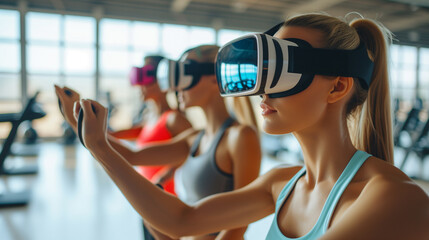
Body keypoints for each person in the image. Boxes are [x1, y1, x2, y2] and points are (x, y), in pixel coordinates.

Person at [73, 14, 429, 240]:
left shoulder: (394, 196)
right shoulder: (281, 183)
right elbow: (183, 219)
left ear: (337, 87)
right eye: (264, 71)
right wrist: (99, 147)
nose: (262, 89)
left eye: (284, 70)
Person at [58, 45, 262, 240]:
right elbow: (132, 157)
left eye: (184, 74)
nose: (175, 87)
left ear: (213, 78)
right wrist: (76, 122)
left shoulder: (241, 137)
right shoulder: (194, 138)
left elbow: (239, 226)